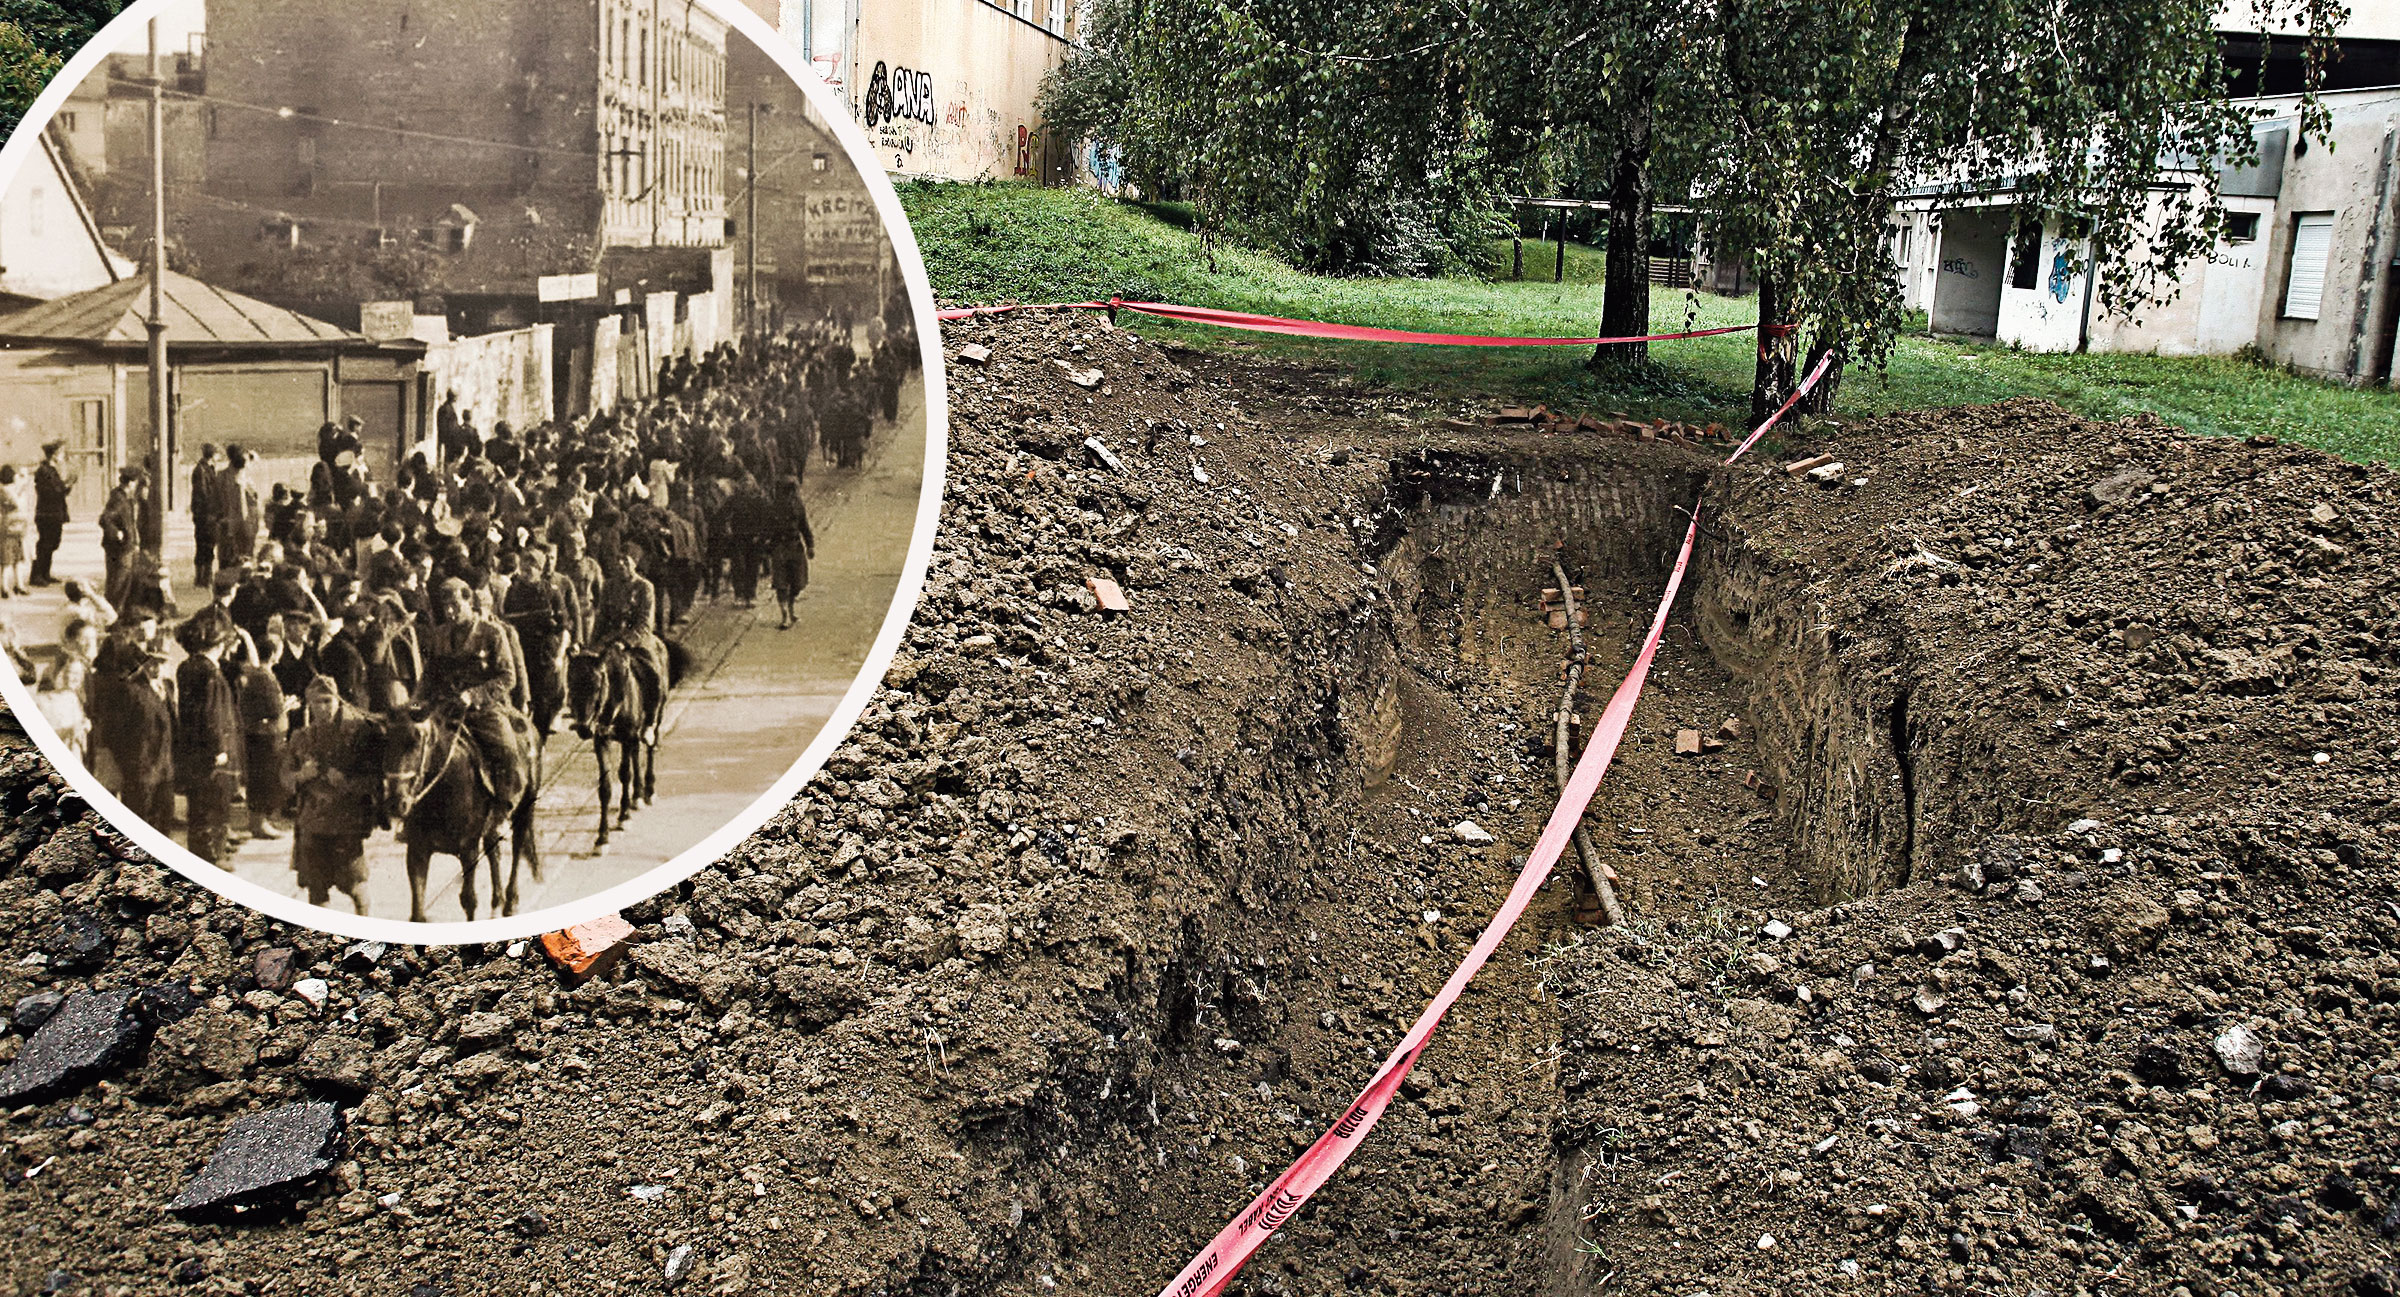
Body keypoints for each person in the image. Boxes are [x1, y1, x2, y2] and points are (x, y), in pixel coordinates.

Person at [419, 577, 531, 810]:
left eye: (456, 606)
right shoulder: (439, 635)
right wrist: (417, 700)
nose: (450, 612)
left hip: (485, 709)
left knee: (507, 750)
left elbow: (508, 677)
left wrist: (474, 695)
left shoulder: (492, 633)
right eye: (446, 607)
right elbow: (429, 674)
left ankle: (503, 805)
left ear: (469, 601)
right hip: (445, 706)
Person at [288, 675, 377, 913]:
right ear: (309, 705)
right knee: (316, 891)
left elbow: (374, 780)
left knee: (355, 885)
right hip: (311, 825)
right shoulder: (301, 738)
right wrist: (301, 776)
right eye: (317, 702)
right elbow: (283, 778)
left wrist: (346, 783)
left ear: (338, 701)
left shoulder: (356, 736)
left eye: (328, 701)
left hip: (345, 824)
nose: (323, 708)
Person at [174, 623, 242, 864]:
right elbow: (212, 713)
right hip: (211, 749)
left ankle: (204, 850)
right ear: (220, 644)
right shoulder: (210, 672)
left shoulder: (187, 666)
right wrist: (219, 747)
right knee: (215, 801)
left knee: (199, 803)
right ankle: (212, 855)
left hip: (192, 746)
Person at [766, 475, 816, 631]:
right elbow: (766, 529)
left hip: (795, 546)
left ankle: (791, 606)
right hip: (779, 547)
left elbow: (804, 526)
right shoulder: (773, 507)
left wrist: (810, 545)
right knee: (781, 584)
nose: (791, 494)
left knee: (798, 583)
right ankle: (785, 615)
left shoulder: (798, 505)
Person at [98, 469, 147, 608]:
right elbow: (105, 519)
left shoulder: (124, 498)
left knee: (120, 582)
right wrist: (117, 533)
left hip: (125, 546)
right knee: (118, 583)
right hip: (120, 549)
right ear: (131, 483)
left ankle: (114, 613)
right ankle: (113, 614)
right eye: (135, 483)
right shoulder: (118, 499)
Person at [30, 440, 73, 586]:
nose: (63, 456)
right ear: (54, 455)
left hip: (55, 512)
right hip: (47, 513)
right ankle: (36, 575)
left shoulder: (52, 470)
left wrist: (68, 484)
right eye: (61, 453)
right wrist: (68, 483)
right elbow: (55, 491)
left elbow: (60, 490)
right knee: (45, 544)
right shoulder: (44, 471)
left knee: (53, 543)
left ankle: (45, 573)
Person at [189, 443, 222, 590]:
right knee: (204, 544)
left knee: (207, 545)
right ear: (212, 455)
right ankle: (202, 577)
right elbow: (203, 494)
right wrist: (210, 512)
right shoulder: (201, 470)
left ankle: (204, 577)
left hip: (208, 513)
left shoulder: (207, 468)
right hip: (204, 514)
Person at [0, 466, 29, 596]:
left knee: (17, 559)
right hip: (10, 528)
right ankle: (5, 587)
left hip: (17, 528)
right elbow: (16, 503)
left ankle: (19, 584)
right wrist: (21, 486)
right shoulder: (5, 491)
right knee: (8, 561)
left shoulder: (9, 490)